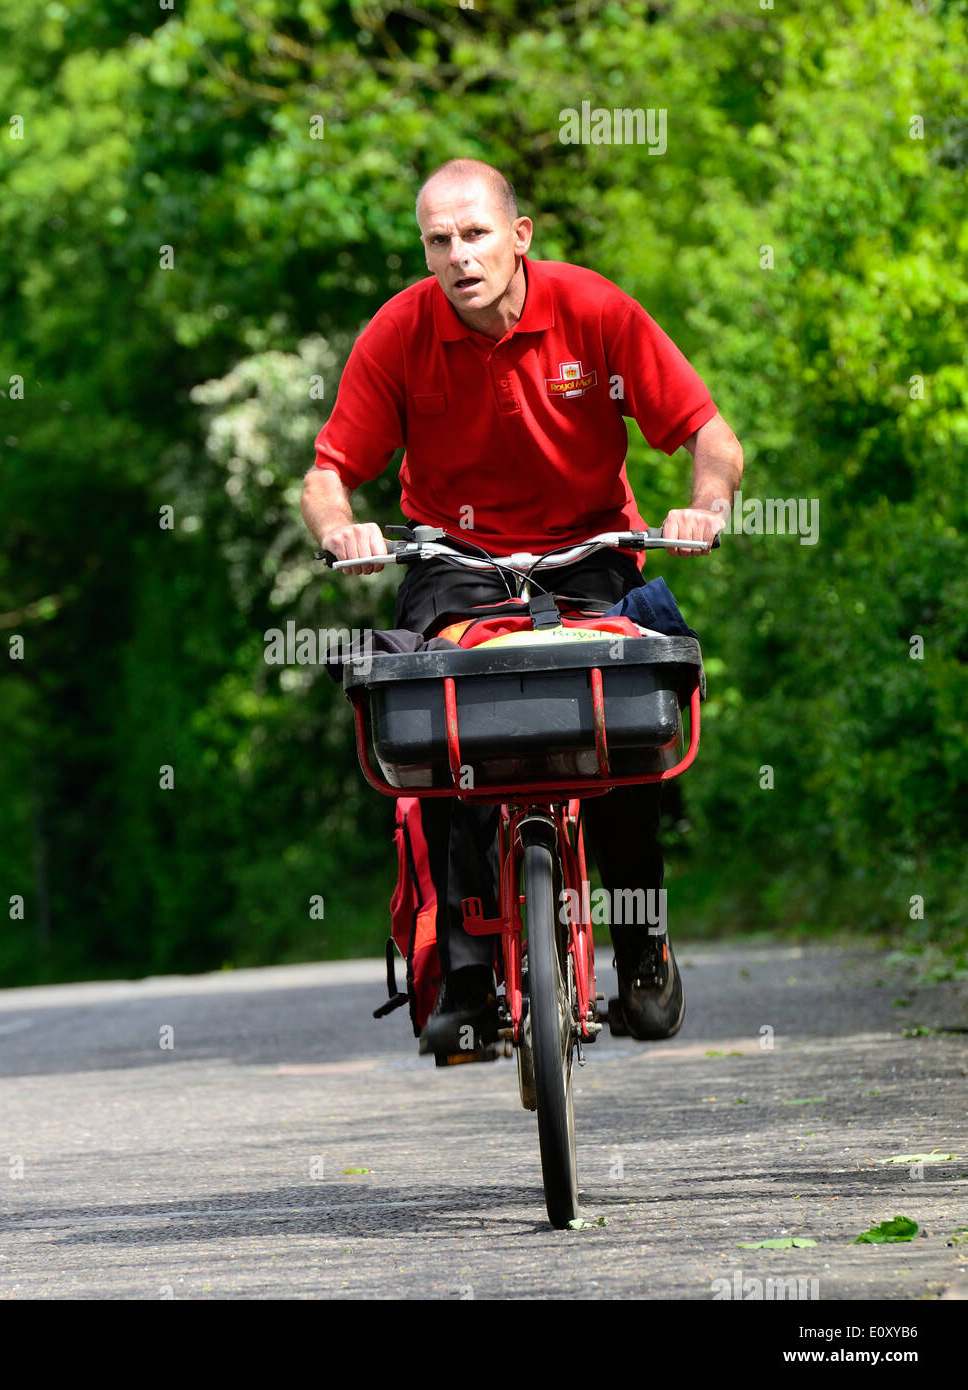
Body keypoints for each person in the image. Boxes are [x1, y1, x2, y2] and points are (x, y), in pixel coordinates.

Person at [301, 158, 744, 1059]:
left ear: (519, 236)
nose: (459, 256)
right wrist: (344, 528)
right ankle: (464, 979)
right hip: (455, 561)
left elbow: (710, 434)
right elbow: (328, 474)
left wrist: (706, 505)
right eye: (438, 241)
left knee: (621, 740)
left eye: (474, 234)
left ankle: (642, 950)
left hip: (588, 551)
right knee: (437, 731)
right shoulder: (399, 332)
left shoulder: (594, 310)